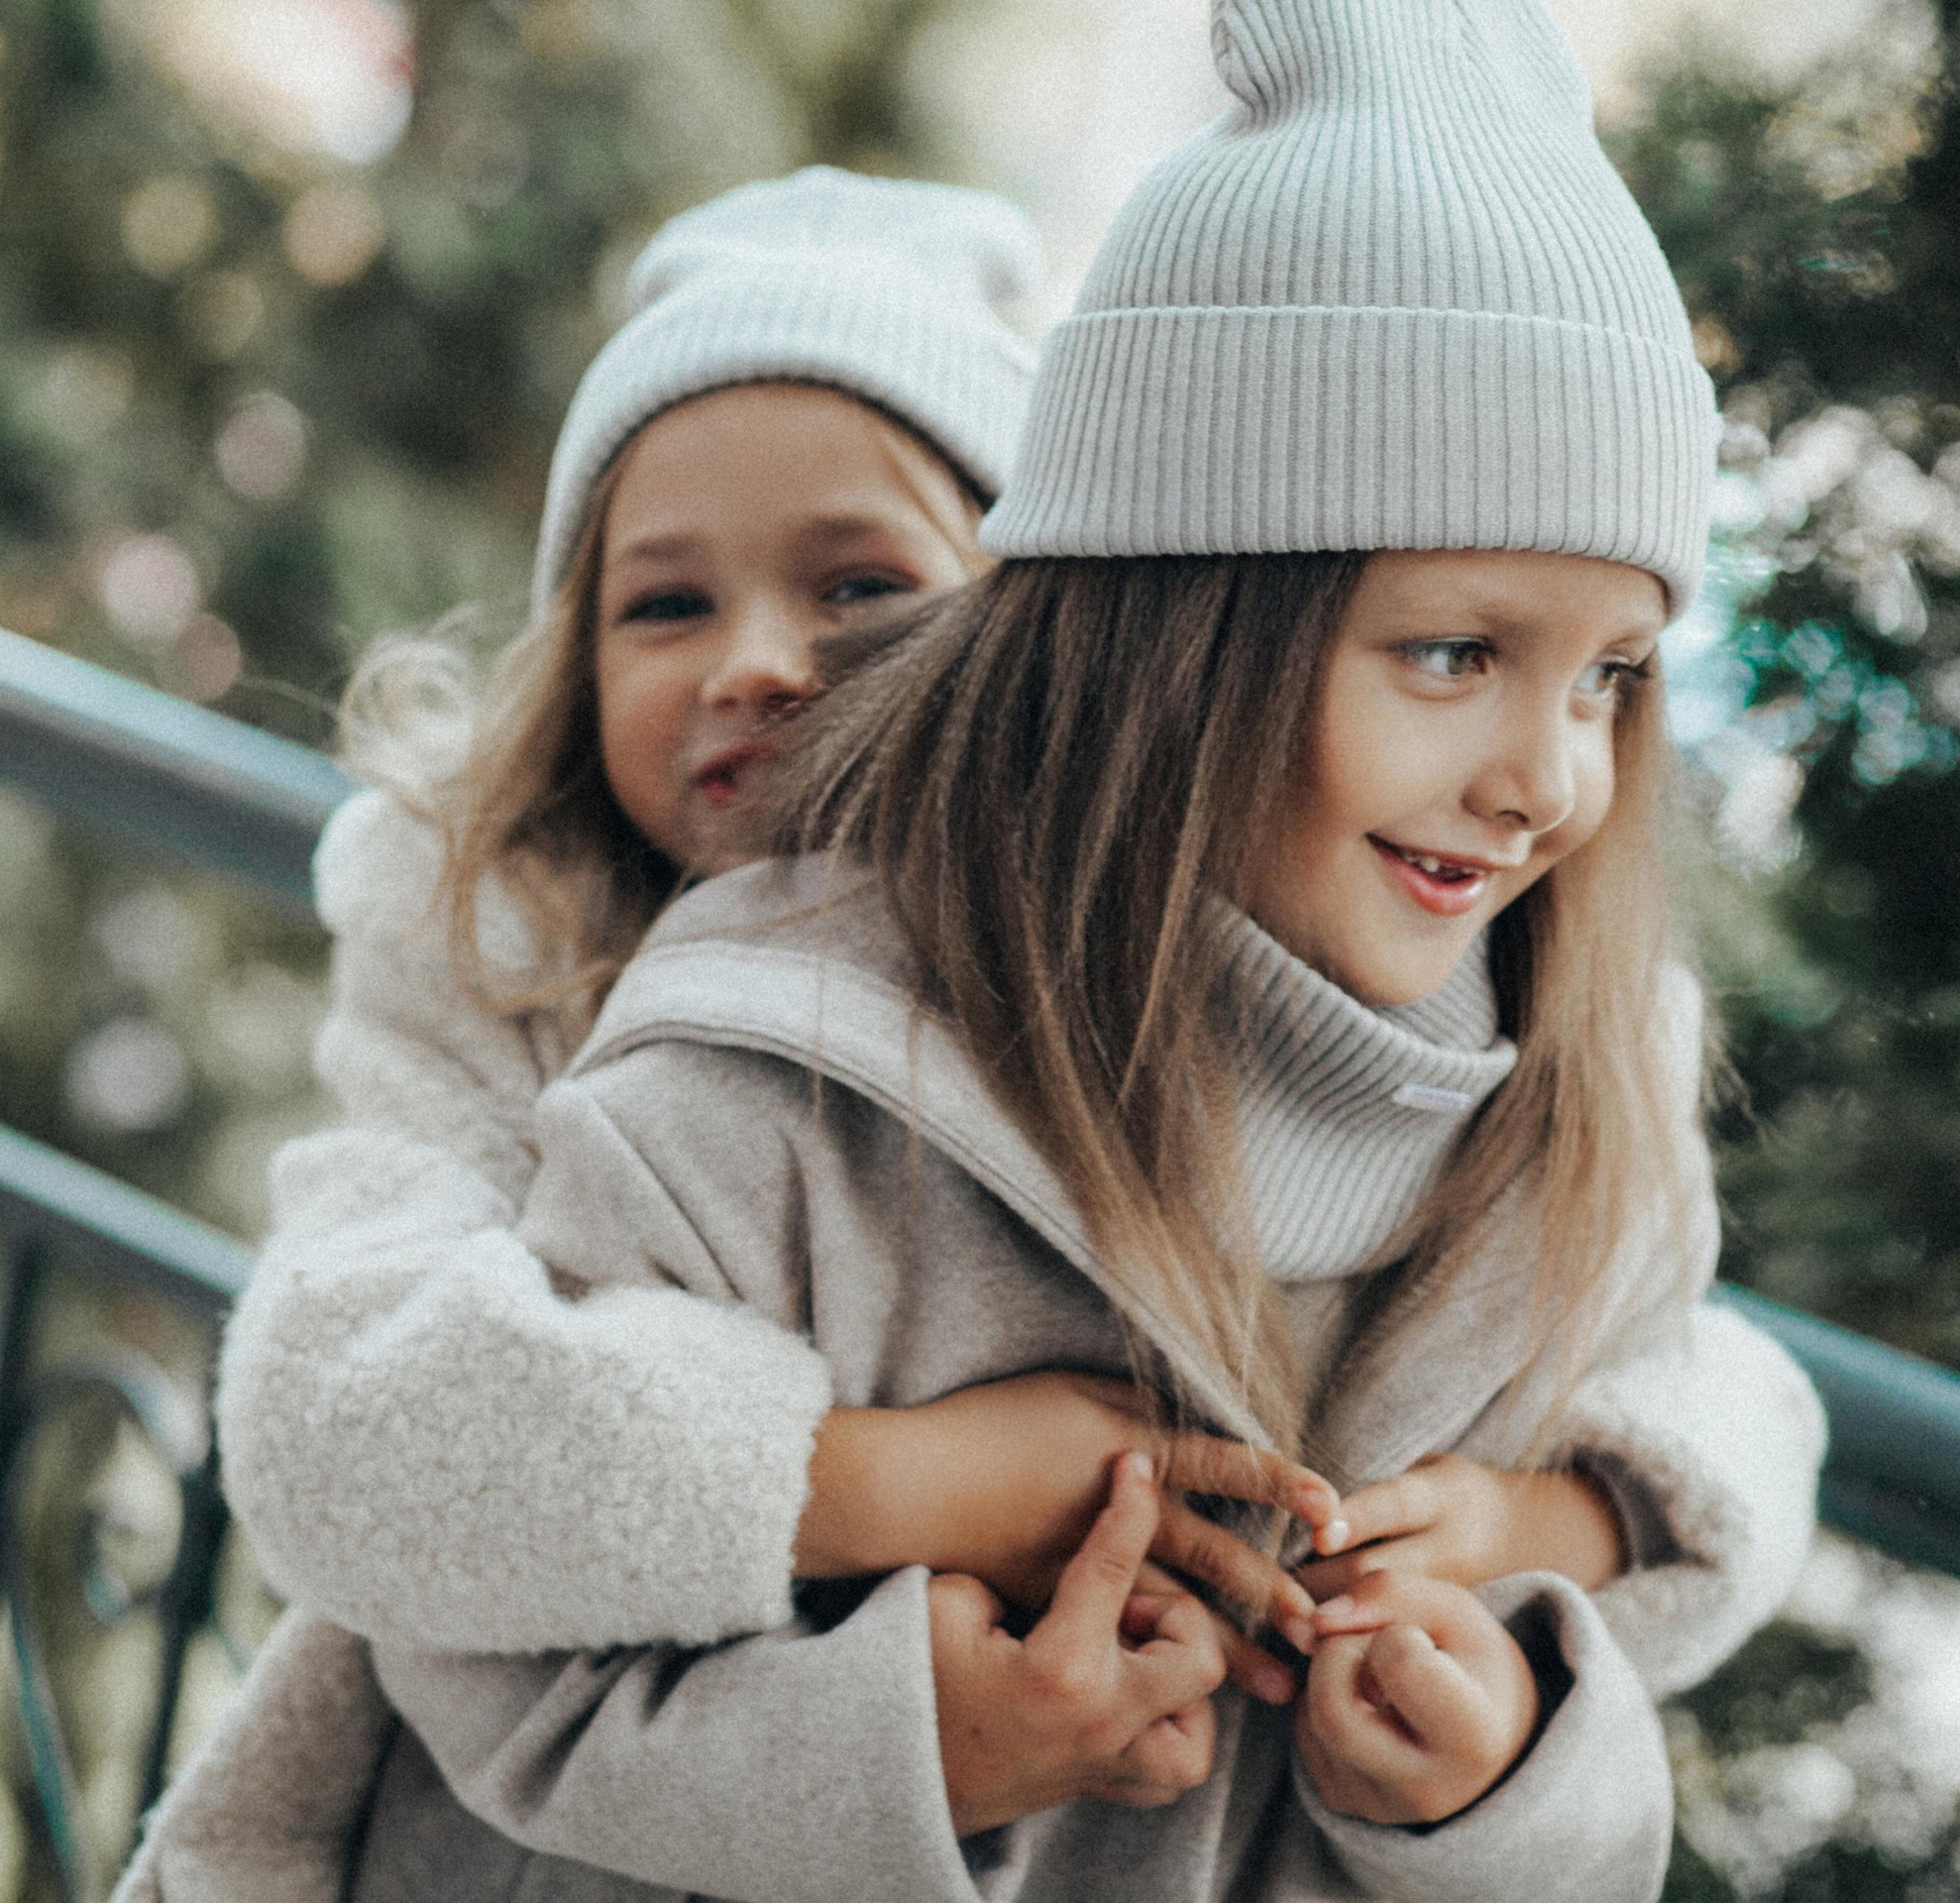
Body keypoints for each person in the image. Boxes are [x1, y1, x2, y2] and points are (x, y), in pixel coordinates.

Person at [320, 0, 1827, 1896]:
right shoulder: (751, 1085)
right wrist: (911, 1750)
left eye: (1611, 678)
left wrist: (1503, 1771)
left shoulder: (1571, 1124)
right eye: (1454, 652)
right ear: (1182, 634)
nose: (1545, 779)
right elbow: (487, 1677)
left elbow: (1713, 1460)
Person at [114, 165, 1328, 1899]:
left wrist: (1557, 1529)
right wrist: (912, 1485)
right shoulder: (491, 944)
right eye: (664, 603)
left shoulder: (1162, 968)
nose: (754, 661)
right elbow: (329, 1416)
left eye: (857, 587)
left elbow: (1682, 1356)